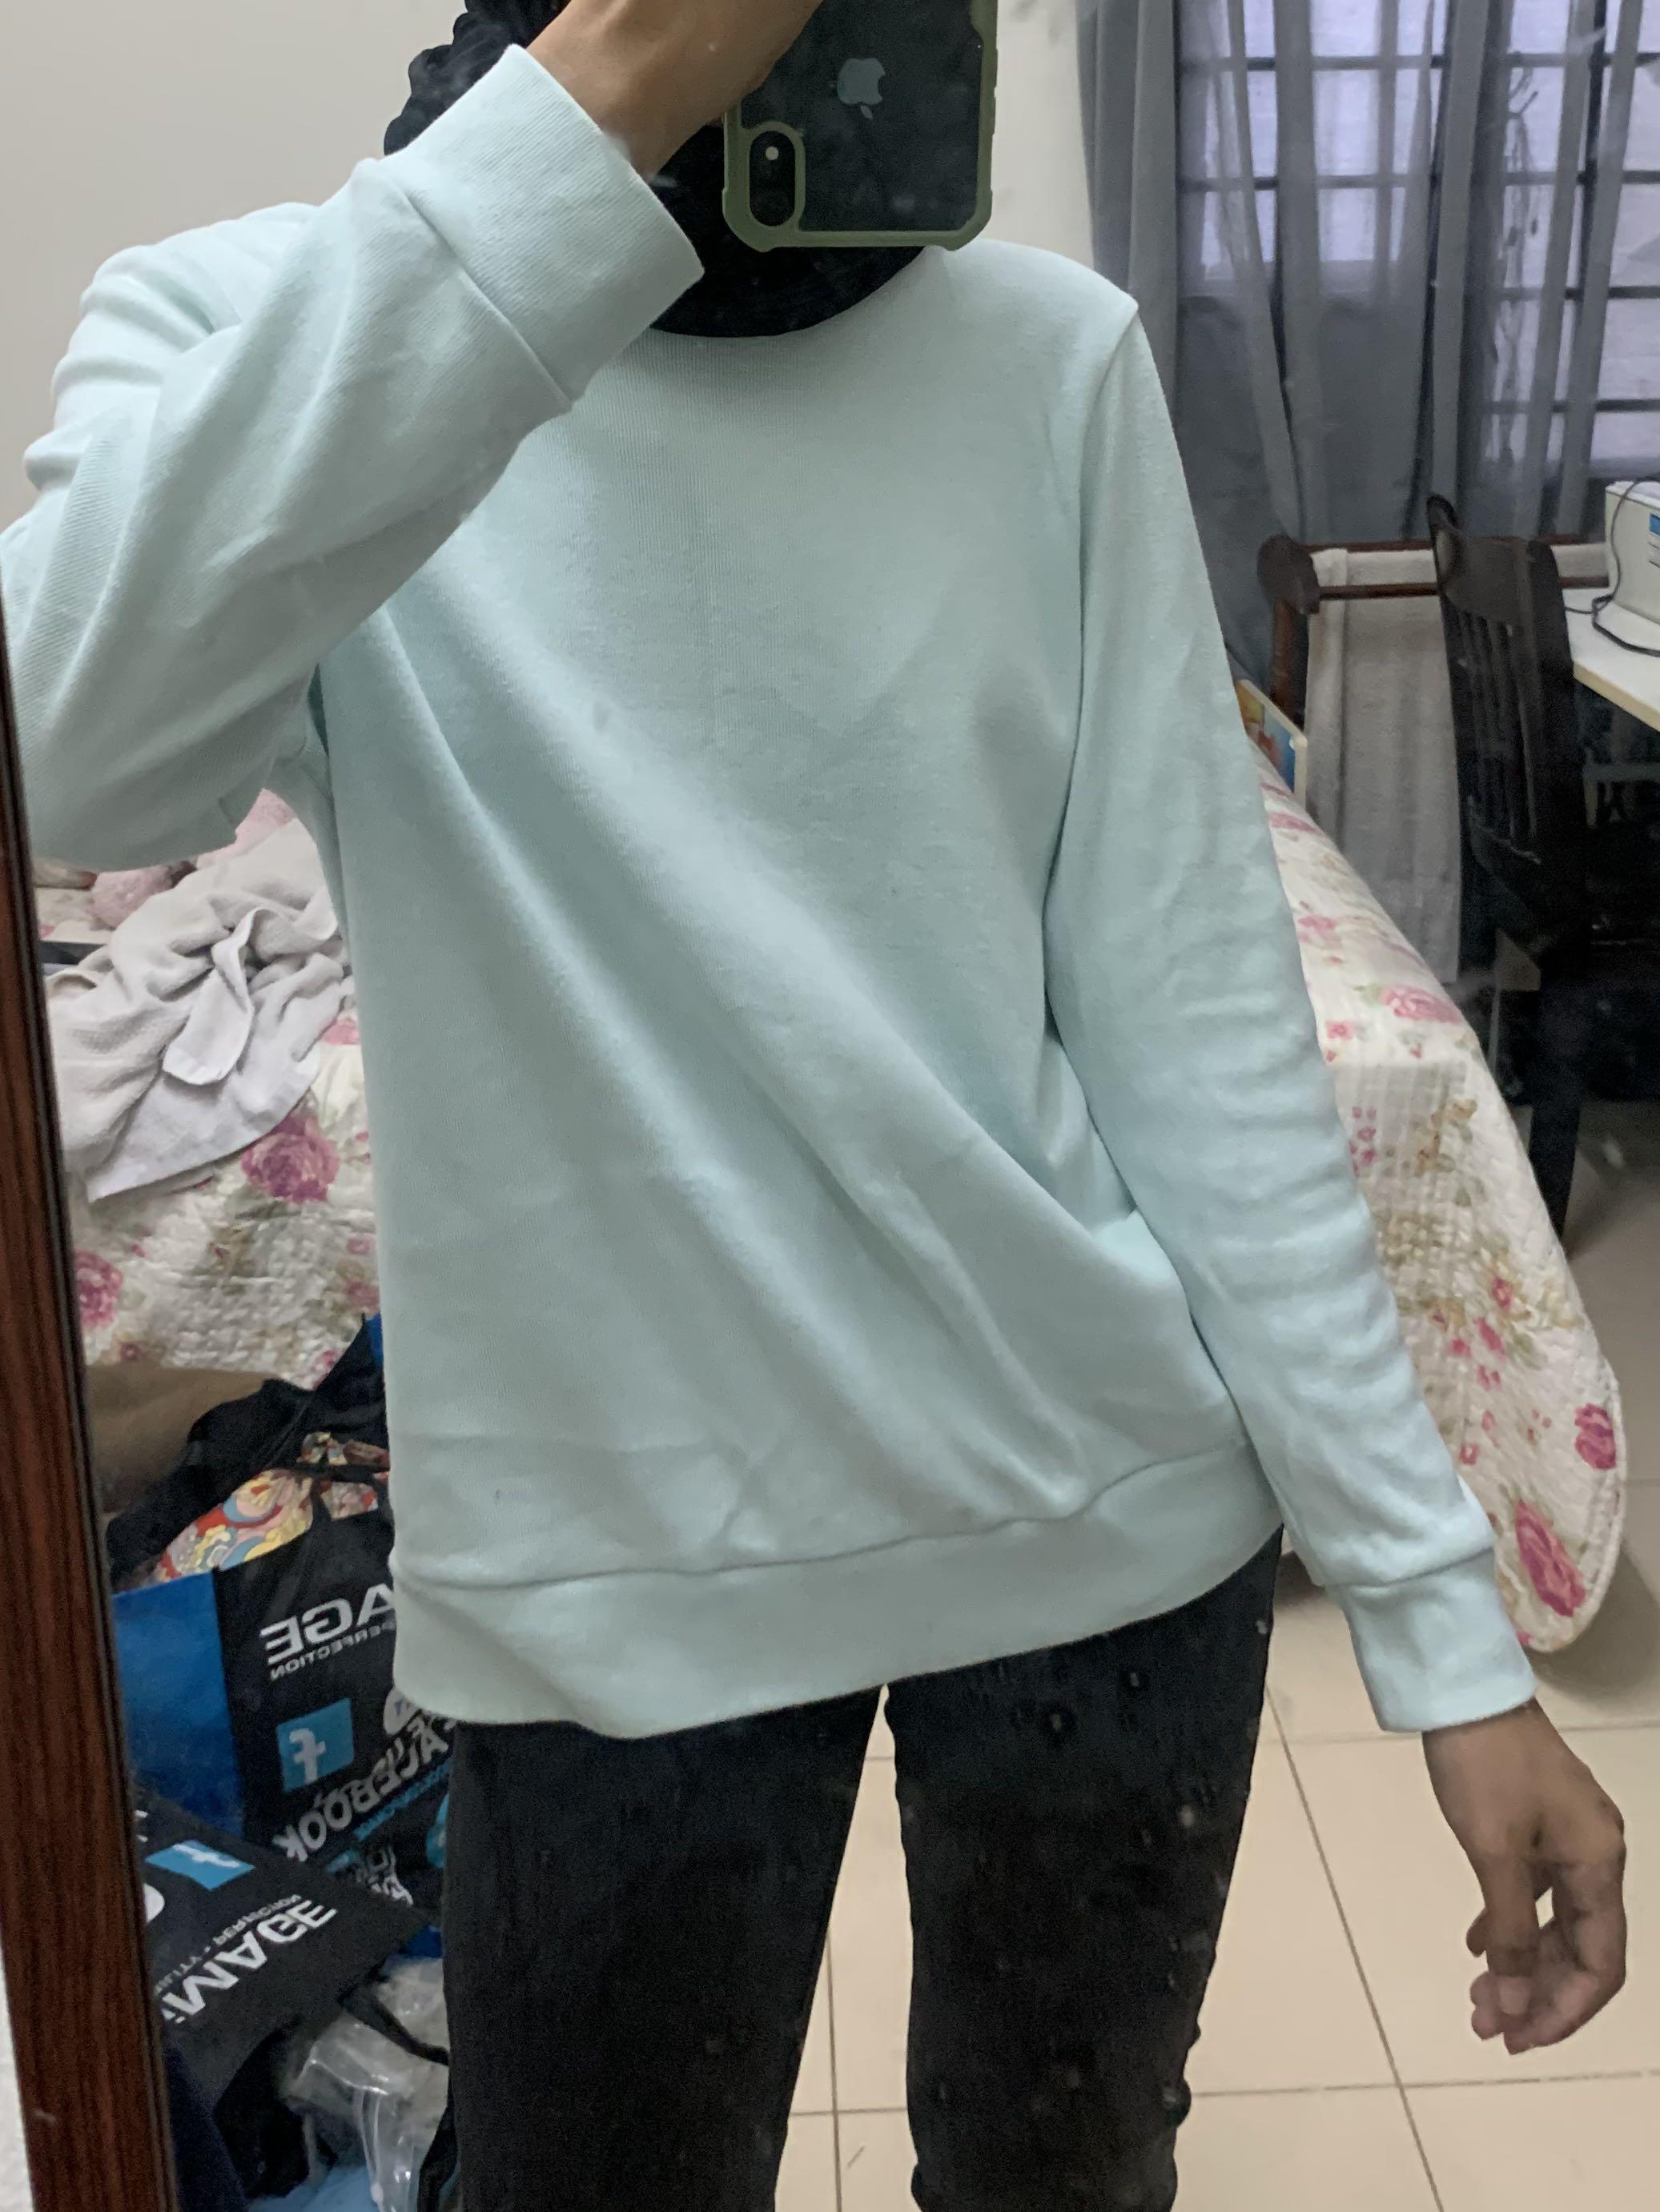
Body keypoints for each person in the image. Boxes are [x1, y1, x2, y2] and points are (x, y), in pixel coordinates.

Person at [2, 2, 1627, 2206]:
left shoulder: (1047, 358)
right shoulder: (287, 323)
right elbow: (72, 760)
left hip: (1106, 1535)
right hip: (605, 1591)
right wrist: (612, 91)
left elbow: (1203, 1035)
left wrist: (1444, 1634)